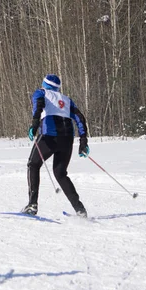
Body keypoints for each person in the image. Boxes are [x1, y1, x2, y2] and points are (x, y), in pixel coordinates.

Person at [23, 74, 89, 217]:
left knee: (33, 165)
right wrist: (83, 142)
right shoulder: (66, 99)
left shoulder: (41, 93)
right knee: (60, 173)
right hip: (67, 139)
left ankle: (32, 204)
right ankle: (80, 209)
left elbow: (38, 107)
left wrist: (34, 125)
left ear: (44, 84)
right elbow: (80, 118)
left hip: (49, 136)